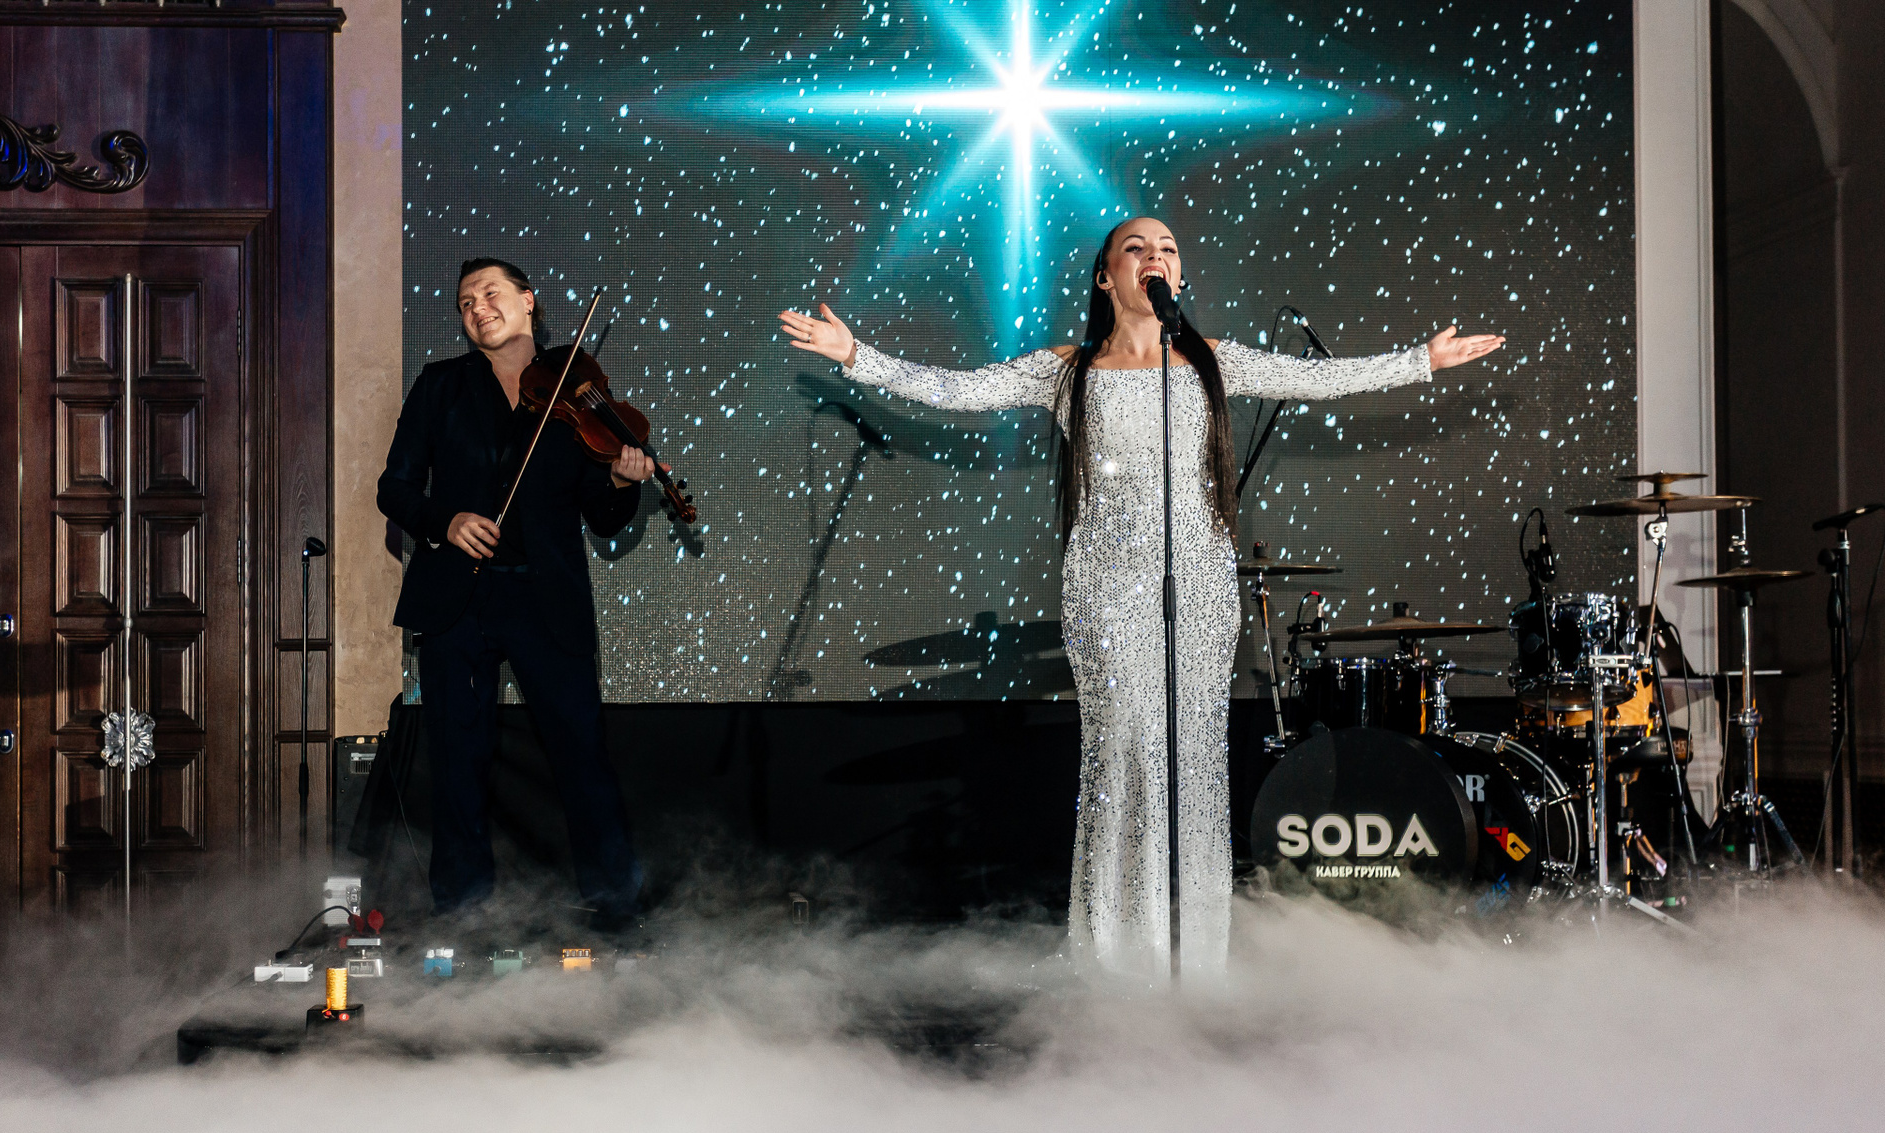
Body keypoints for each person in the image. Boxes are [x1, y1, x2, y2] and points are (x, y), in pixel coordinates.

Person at [778, 216, 1503, 977]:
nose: (1155, 257)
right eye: (1137, 248)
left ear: (1178, 278)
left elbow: (1317, 379)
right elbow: (958, 390)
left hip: (1199, 583)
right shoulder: (1067, 371)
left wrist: (1421, 360)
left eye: (1169, 250)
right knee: (1127, 746)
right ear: (1106, 276)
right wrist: (856, 356)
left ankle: (1194, 958)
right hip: (1106, 584)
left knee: (1191, 756)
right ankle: (1121, 955)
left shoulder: (1209, 361)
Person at [378, 257, 656, 929]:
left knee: (581, 756)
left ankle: (617, 912)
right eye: (464, 302)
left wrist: (622, 483)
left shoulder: (577, 393)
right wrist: (445, 521)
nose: (477, 308)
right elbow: (396, 488)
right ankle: (461, 915)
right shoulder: (441, 385)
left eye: (490, 293)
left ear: (528, 301)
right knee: (458, 761)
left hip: (545, 599)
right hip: (459, 599)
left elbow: (601, 516)